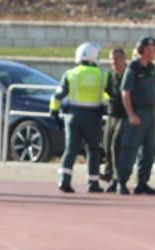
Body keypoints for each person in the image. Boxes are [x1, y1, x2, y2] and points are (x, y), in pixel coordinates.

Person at [49, 42, 110, 193]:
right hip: (93, 117)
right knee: (93, 150)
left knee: (70, 149)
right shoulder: (103, 75)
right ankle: (93, 183)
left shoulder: (70, 74)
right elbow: (110, 97)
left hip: (72, 117)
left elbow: (57, 96)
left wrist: (55, 113)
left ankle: (64, 180)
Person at [116, 37, 155, 195]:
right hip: (137, 114)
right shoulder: (133, 69)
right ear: (141, 51)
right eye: (149, 49)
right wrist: (130, 114)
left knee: (149, 151)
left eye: (154, 49)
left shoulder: (151, 68)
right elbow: (125, 93)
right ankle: (122, 182)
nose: (152, 53)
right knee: (129, 149)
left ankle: (142, 182)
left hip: (149, 115)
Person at [101, 46, 128, 192]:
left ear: (124, 59)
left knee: (116, 146)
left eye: (117, 59)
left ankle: (119, 180)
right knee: (107, 145)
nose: (114, 62)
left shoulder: (129, 75)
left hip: (124, 115)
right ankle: (110, 176)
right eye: (111, 59)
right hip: (111, 114)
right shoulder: (108, 76)